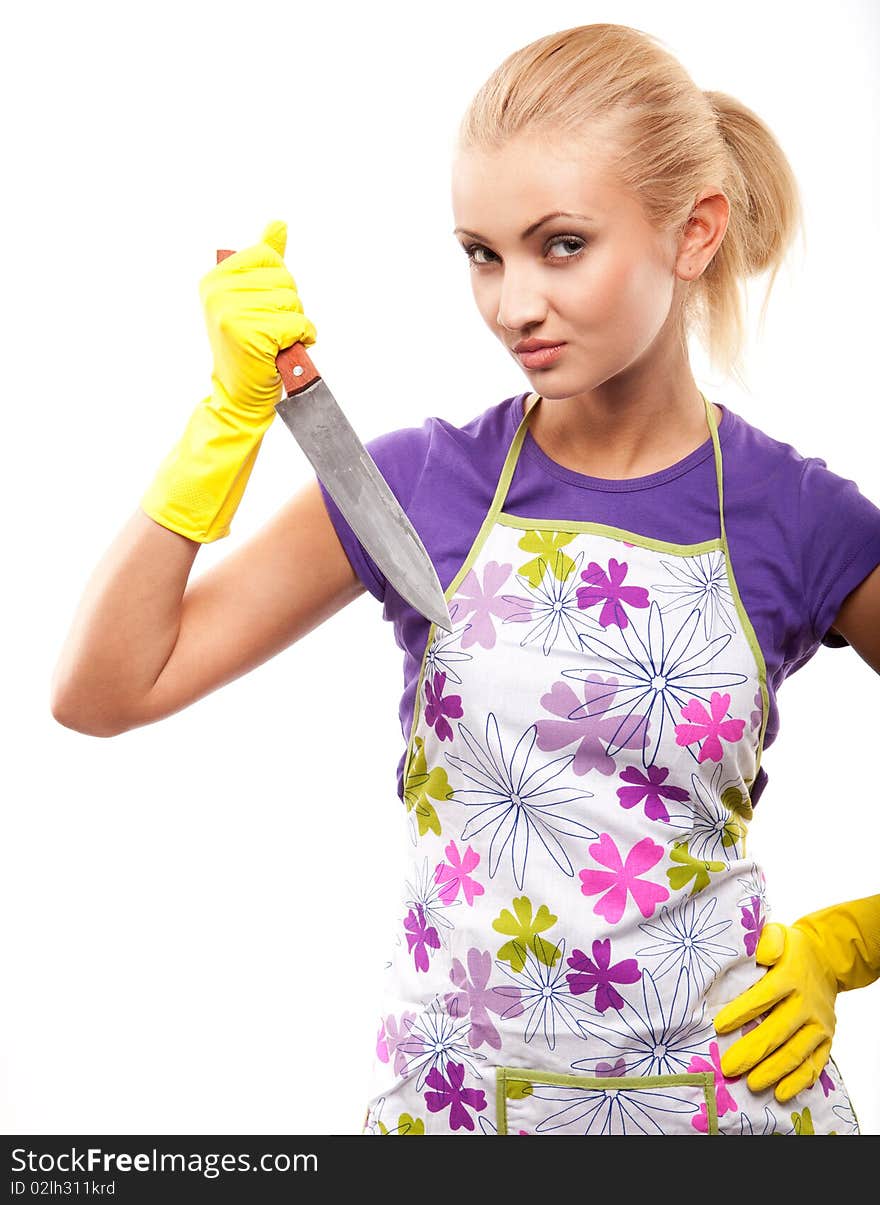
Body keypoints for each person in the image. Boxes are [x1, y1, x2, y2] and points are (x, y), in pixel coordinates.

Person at [50, 22, 880, 1136]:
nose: (511, 303)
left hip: (727, 1111)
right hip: (454, 1113)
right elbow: (105, 688)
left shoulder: (801, 516)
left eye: (562, 245)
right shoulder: (417, 486)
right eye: (481, 253)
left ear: (692, 233)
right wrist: (225, 423)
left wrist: (852, 941)